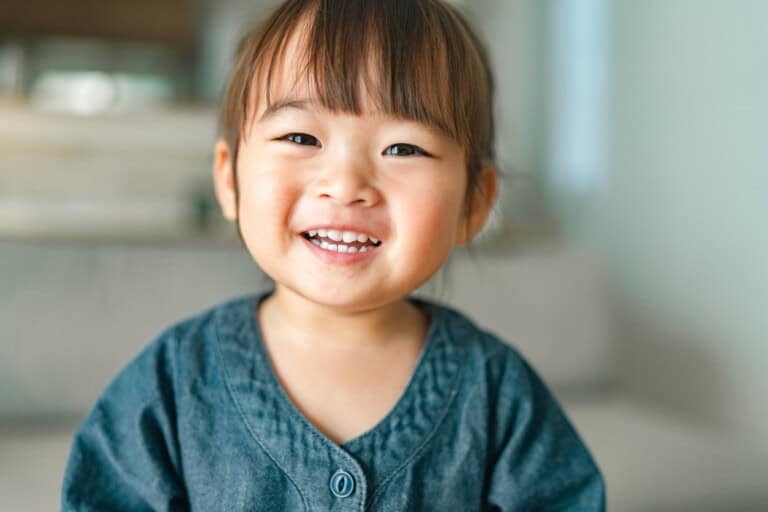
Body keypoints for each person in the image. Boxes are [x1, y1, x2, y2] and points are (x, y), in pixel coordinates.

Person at [61, 0, 605, 510]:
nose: (345, 184)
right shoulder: (172, 385)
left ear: (475, 203)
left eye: (403, 148)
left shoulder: (496, 393)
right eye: (300, 137)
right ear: (229, 179)